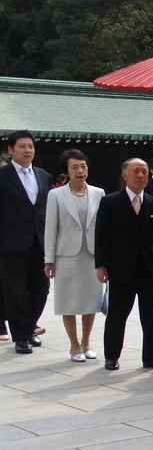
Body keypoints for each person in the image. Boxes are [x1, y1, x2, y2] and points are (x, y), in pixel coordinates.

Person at [95, 158, 153, 371]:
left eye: (144, 172)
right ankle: (111, 356)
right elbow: (101, 236)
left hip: (149, 269)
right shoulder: (110, 202)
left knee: (151, 316)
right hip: (121, 269)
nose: (140, 176)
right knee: (117, 314)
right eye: (136, 171)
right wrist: (101, 265)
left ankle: (152, 357)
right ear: (124, 175)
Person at [43, 149, 104, 362]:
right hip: (66, 256)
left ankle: (87, 342)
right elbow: (50, 229)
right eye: (75, 167)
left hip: (92, 256)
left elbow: (103, 229)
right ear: (67, 171)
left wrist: (106, 259)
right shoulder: (56, 195)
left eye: (83, 166)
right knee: (67, 302)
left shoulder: (99, 193)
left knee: (91, 301)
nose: (80, 170)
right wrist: (48, 259)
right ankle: (73, 344)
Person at [0, 130, 52, 353]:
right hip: (11, 245)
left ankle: (30, 327)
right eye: (22, 146)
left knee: (41, 289)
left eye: (30, 146)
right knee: (15, 292)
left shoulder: (44, 176)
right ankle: (21, 336)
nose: (27, 150)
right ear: (11, 150)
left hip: (40, 244)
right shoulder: (2, 177)